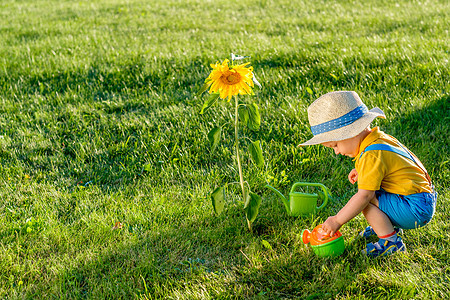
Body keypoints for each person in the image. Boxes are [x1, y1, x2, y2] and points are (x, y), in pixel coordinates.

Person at [299, 91, 437, 257]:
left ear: (351, 133)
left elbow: (364, 196)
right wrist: (361, 170)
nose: (336, 152)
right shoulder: (377, 140)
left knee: (365, 200)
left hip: (414, 208)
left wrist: (337, 220)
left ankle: (390, 242)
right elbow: (389, 165)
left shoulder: (371, 155)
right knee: (369, 191)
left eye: (335, 145)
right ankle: (384, 223)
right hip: (421, 198)